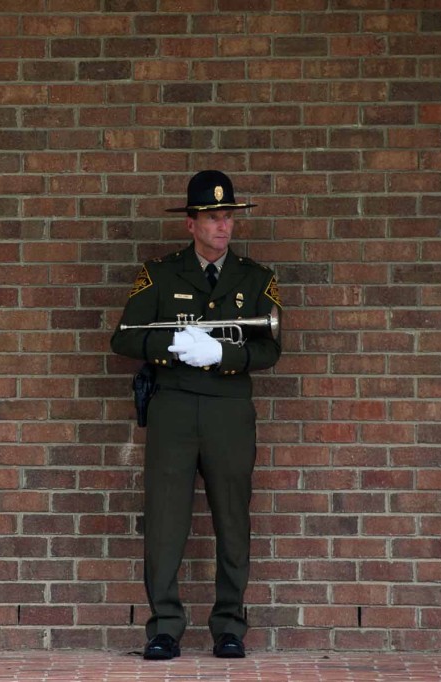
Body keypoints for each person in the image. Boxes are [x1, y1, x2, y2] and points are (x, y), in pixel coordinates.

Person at [110, 170, 283, 660]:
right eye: (212, 218)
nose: (222, 227)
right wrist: (173, 346)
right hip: (174, 407)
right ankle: (164, 627)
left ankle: (229, 626)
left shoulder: (256, 278)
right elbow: (123, 336)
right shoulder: (159, 274)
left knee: (233, 519)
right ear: (191, 224)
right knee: (166, 521)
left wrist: (222, 356)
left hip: (229, 410)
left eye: (227, 217)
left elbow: (271, 349)